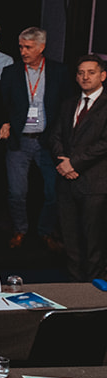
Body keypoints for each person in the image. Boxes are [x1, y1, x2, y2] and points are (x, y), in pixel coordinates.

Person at [0, 27, 64, 251]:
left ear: (41, 47)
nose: (23, 51)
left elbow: (63, 106)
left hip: (48, 141)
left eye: (28, 47)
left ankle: (46, 231)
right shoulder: (11, 72)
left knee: (52, 191)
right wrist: (5, 122)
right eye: (20, 46)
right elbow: (2, 103)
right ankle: (20, 229)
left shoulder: (58, 72)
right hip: (19, 140)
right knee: (16, 192)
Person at [49, 54, 107, 282]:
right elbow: (54, 136)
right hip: (66, 182)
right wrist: (63, 162)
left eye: (91, 72)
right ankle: (75, 288)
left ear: (103, 75)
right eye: (81, 72)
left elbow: (104, 143)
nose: (85, 77)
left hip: (94, 183)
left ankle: (93, 294)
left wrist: (74, 163)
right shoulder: (68, 104)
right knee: (70, 240)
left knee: (93, 241)